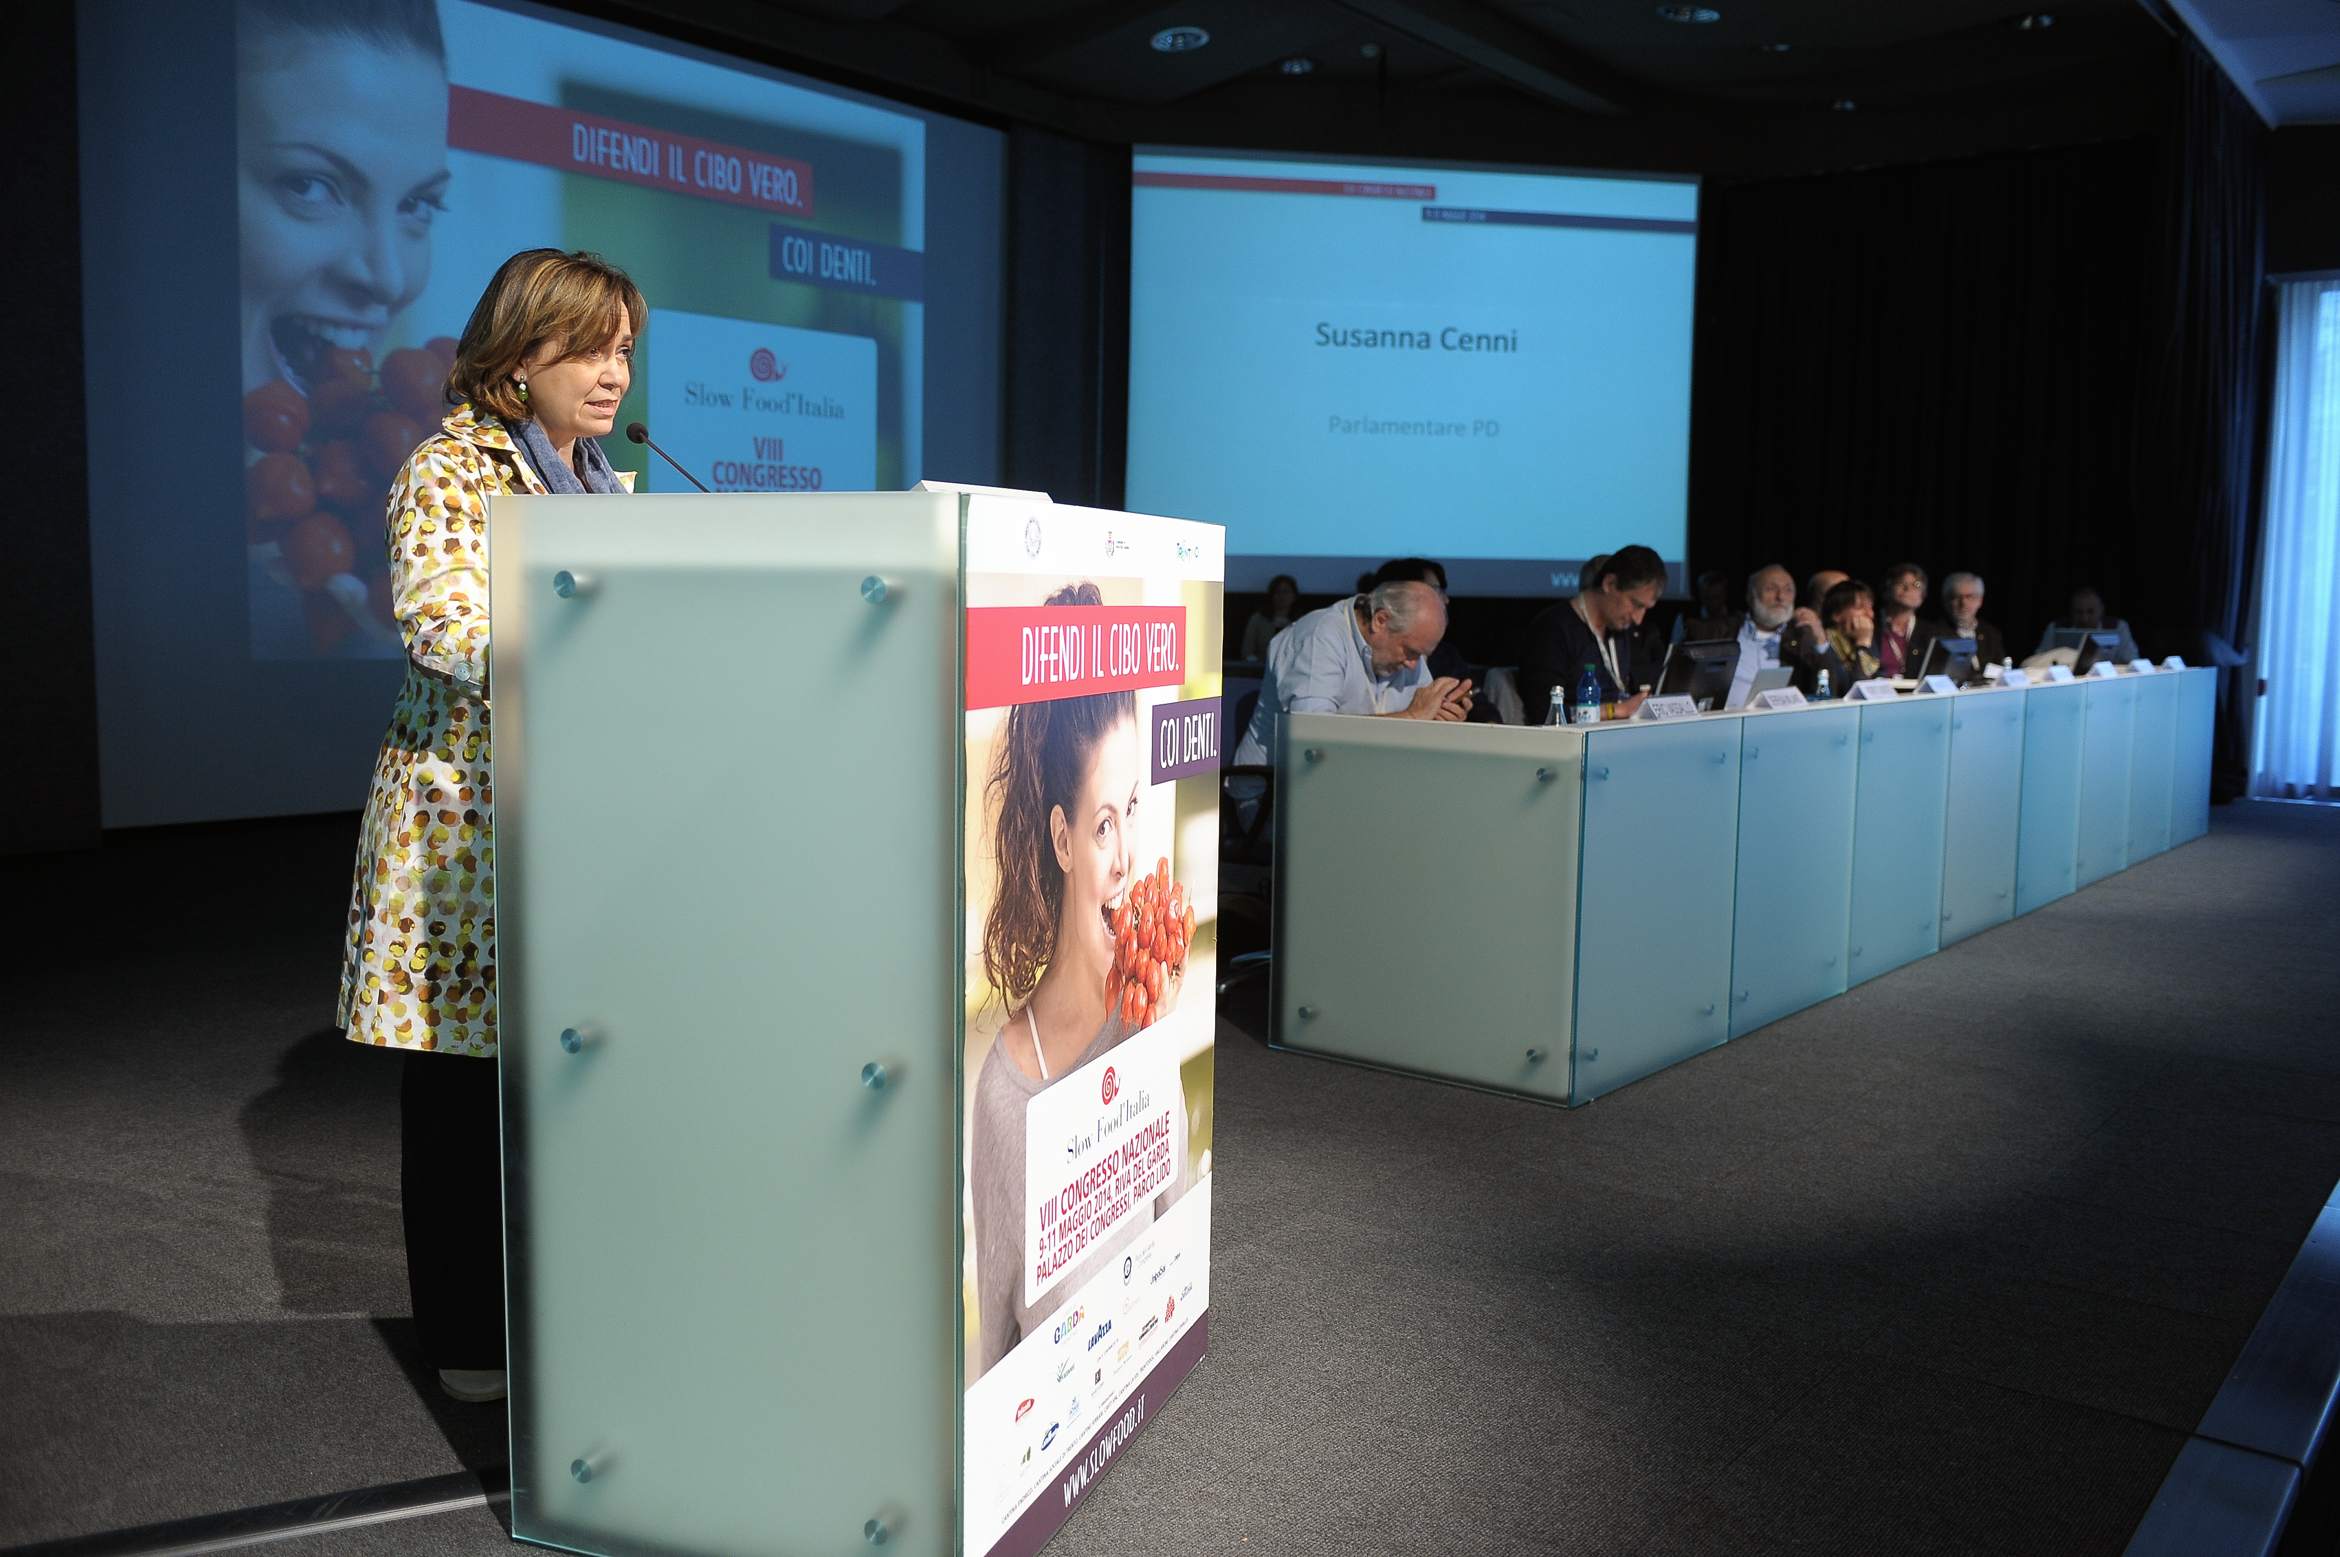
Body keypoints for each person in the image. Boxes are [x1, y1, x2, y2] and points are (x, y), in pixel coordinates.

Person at [336, 248, 646, 1405]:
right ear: (519, 355)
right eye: (589, 348)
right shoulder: (449, 469)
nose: (613, 374)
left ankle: (561, 1304)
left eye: (624, 350)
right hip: (466, 835)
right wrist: (601, 655)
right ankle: (467, 1338)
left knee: (562, 1081)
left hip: (579, 830)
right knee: (463, 1098)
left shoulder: (603, 481)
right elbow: (444, 627)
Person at [970, 587, 1183, 1376]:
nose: (1127, 859)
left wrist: (1155, 1050)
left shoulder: (1144, 1021)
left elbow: (1175, 1246)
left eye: (1134, 809)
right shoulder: (1003, 1098)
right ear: (1062, 840)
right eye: (1102, 825)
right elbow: (994, 1360)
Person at [1230, 580, 1472, 768]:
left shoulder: (1406, 647)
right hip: (1279, 790)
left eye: (1421, 656)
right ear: (1380, 620)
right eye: (1410, 652)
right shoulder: (1320, 636)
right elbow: (1312, 742)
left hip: (1360, 782)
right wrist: (1413, 717)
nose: (1413, 665)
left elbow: (1418, 721)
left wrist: (1440, 720)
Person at [1518, 545, 1664, 726]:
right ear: (1609, 584)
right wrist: (1614, 710)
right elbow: (1545, 714)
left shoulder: (1620, 631)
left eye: (1645, 609)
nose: (1638, 619)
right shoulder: (1552, 630)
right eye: (1635, 604)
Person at [1371, 557, 1499, 723]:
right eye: (1434, 591)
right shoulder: (1351, 647)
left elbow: (1483, 709)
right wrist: (1414, 715)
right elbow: (1339, 725)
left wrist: (1448, 718)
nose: (1445, 599)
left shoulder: (1445, 655)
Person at [1712, 563, 1826, 709]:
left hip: (1782, 718)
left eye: (1788, 590)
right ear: (1751, 596)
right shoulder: (1721, 631)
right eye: (1771, 589)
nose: (1780, 597)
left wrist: (1821, 641)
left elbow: (1827, 686)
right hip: (1725, 716)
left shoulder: (1801, 637)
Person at [2035, 586, 2141, 664]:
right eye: (2079, 612)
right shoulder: (2056, 627)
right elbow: (2037, 659)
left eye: (2090, 612)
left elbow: (2132, 660)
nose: (2084, 618)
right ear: (2071, 611)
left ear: (2101, 610)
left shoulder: (2117, 627)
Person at [1815, 579, 1883, 688]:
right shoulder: (1823, 645)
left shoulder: (1869, 639)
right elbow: (1857, 687)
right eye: (1860, 607)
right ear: (1836, 614)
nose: (1870, 614)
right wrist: (1862, 644)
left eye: (1870, 607)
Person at [1875, 562, 1937, 678]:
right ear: (1887, 588)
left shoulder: (1931, 632)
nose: (1908, 589)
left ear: (1923, 594)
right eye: (1901, 583)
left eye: (1916, 585)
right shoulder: (1872, 624)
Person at [1938, 571, 2007, 666]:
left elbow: (2000, 668)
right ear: (1946, 601)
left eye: (1970, 597)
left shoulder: (1991, 634)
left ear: (1980, 601)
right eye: (1957, 597)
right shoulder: (1936, 634)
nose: (1963, 603)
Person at [1239, 574, 1300, 661]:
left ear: (1294, 595)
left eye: (1286, 592)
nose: (1282, 596)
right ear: (1272, 595)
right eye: (1278, 592)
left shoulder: (1301, 620)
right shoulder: (1257, 619)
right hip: (1261, 665)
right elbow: (1247, 650)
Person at [1671, 569, 1733, 644]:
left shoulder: (1738, 618)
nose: (1712, 602)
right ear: (1700, 595)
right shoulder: (1684, 618)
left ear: (1725, 595)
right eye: (1707, 597)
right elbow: (1675, 646)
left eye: (1716, 597)